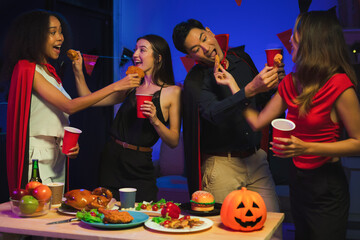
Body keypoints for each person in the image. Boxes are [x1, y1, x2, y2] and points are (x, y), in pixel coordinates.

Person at [220, 11, 360, 240]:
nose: (290, 42)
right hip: (299, 179)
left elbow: (358, 143)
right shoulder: (290, 82)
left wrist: (307, 147)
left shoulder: (339, 84)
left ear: (312, 42)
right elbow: (257, 122)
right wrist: (239, 89)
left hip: (326, 184)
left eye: (295, 36)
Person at [4, 10, 141, 193]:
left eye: (60, 32)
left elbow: (81, 103)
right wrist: (116, 85)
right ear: (35, 36)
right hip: (36, 159)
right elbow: (69, 106)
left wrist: (79, 72)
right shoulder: (28, 69)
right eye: (53, 32)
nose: (60, 38)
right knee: (40, 214)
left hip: (56, 157)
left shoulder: (49, 74)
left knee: (54, 210)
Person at [172, 19, 282, 237]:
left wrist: (273, 84)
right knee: (220, 235)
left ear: (210, 32)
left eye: (204, 39)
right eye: (196, 49)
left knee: (272, 230)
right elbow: (213, 113)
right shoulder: (195, 80)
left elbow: (260, 102)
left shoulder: (242, 60)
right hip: (222, 166)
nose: (205, 48)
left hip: (256, 160)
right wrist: (248, 90)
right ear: (190, 56)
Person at [74, 34, 181, 202]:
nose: (135, 54)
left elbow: (174, 141)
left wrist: (155, 120)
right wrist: (78, 72)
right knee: (109, 214)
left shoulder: (173, 92)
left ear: (158, 57)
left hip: (140, 165)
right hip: (112, 159)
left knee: (141, 215)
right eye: (136, 48)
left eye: (142, 50)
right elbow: (88, 99)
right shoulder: (131, 86)